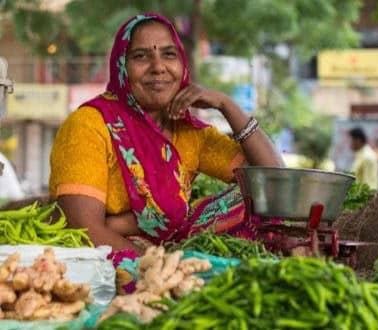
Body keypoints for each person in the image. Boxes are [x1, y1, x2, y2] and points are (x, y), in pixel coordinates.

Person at [49, 13, 283, 269]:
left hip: (167, 253)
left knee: (253, 201)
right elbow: (84, 229)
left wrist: (227, 105)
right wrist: (161, 271)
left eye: (169, 54)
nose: (158, 67)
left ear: (183, 65)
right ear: (121, 66)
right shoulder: (90, 124)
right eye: (141, 56)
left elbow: (274, 180)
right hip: (106, 260)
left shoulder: (189, 133)